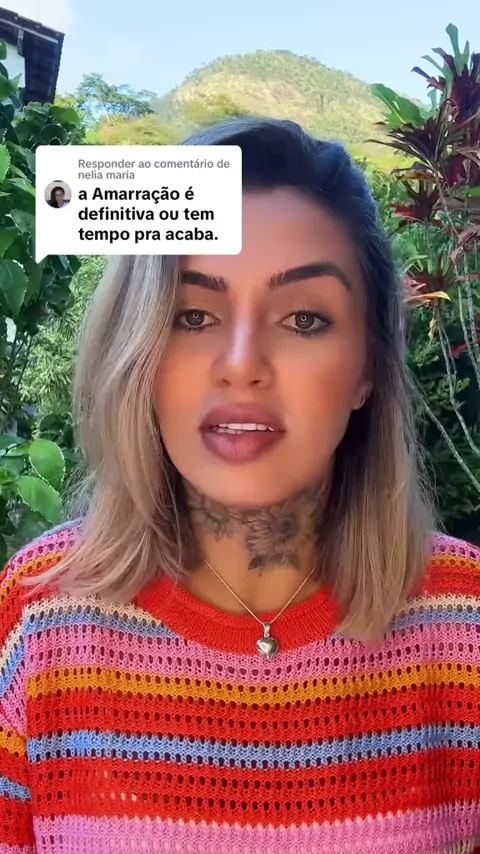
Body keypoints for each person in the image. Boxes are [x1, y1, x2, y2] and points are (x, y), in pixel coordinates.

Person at [1, 118, 479, 854]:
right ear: (138, 350)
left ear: (367, 368)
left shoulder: (465, 621)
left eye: (304, 319)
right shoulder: (37, 615)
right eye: (193, 315)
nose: (241, 364)